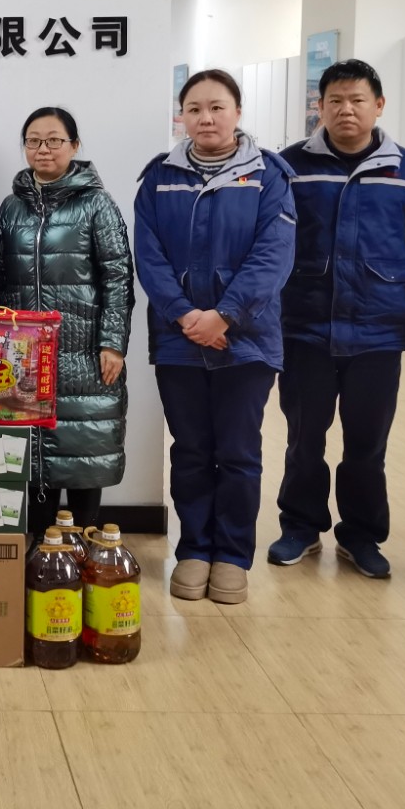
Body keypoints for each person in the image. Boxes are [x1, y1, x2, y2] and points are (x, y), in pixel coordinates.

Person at [268, 59, 405, 579]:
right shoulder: (290, 166)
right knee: (304, 438)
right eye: (335, 101)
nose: (346, 110)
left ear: (378, 105)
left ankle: (361, 535)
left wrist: (381, 281)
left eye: (358, 100)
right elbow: (275, 238)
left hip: (378, 332)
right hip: (305, 328)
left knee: (367, 444)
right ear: (319, 107)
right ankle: (300, 526)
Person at [134, 69, 296, 605]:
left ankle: (231, 555)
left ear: (237, 113)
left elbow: (274, 256)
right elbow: (149, 256)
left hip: (247, 340)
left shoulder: (269, 176)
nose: (206, 118)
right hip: (179, 339)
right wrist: (185, 316)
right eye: (195, 108)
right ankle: (194, 550)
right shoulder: (159, 177)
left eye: (217, 107)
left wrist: (225, 316)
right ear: (181, 115)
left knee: (239, 450)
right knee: (191, 450)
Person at [0, 107, 133, 536]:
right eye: (33, 141)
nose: (43, 149)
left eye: (54, 140)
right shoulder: (12, 208)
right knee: (31, 458)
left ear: (74, 145)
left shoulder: (97, 204)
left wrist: (112, 342)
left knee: (85, 451)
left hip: (84, 353)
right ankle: (41, 549)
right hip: (23, 355)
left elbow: (118, 276)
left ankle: (84, 544)